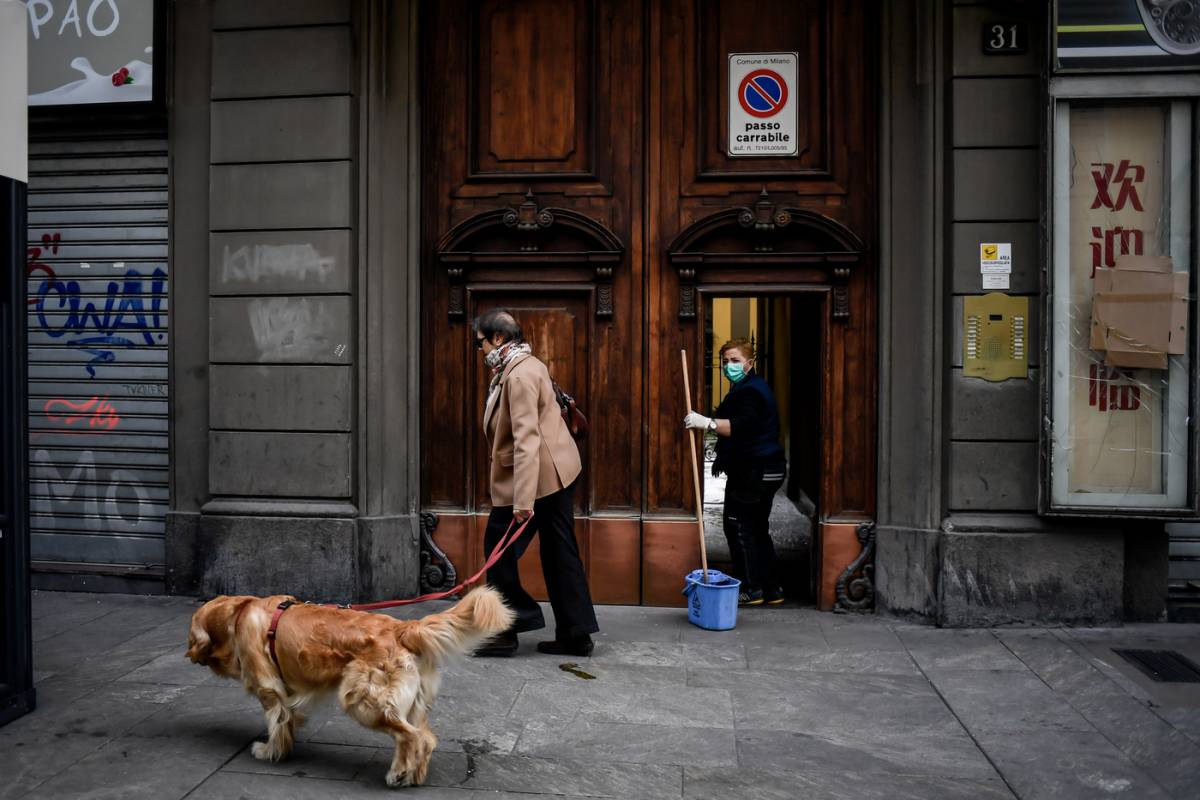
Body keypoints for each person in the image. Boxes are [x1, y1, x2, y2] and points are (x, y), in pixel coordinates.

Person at [471, 309, 599, 657]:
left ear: (497, 338)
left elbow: (526, 439)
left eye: (479, 342)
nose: (479, 350)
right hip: (556, 473)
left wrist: (522, 502)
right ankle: (576, 635)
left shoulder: (517, 376)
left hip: (535, 479)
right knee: (560, 551)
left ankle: (507, 630)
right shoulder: (525, 364)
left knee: (498, 553)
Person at [684, 338, 787, 606]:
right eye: (725, 361)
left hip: (755, 469)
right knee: (756, 528)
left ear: (749, 363)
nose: (729, 366)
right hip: (766, 467)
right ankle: (771, 589)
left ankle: (751, 590)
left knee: (738, 526)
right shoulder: (751, 387)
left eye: (735, 361)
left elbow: (743, 425)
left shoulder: (750, 391)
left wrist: (705, 422)